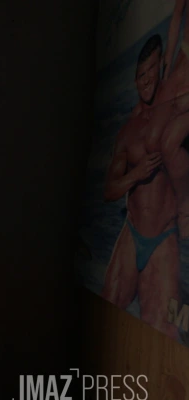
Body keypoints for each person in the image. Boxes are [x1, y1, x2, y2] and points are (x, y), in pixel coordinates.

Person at [102, 33, 189, 338]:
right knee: (106, 306)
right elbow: (109, 190)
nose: (148, 79)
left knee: (165, 329)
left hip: (164, 236)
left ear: (161, 67)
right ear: (136, 80)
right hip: (132, 230)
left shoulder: (175, 108)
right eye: (141, 75)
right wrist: (135, 174)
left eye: (153, 70)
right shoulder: (127, 132)